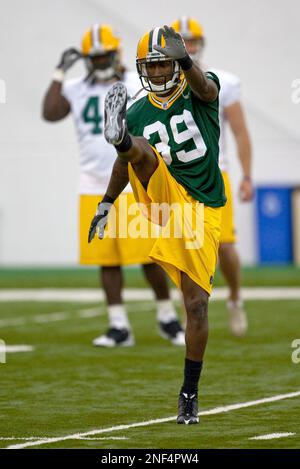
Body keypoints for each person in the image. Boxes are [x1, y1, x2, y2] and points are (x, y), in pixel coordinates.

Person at [89, 25, 226, 424]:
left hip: (202, 207)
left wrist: (186, 58)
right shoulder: (137, 109)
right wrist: (106, 202)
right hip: (162, 199)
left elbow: (208, 93)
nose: (161, 72)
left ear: (178, 63)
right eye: (154, 65)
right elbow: (124, 164)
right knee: (140, 151)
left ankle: (188, 393)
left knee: (197, 306)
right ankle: (119, 137)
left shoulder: (199, 86)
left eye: (166, 63)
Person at [42, 23, 185, 348]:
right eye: (94, 57)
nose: (100, 61)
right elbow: (50, 113)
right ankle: (118, 325)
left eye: (105, 55)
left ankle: (167, 317)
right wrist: (59, 73)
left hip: (134, 179)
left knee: (149, 256)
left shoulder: (135, 81)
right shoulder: (76, 87)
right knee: (107, 259)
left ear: (116, 52)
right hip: (92, 183)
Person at [171, 17, 253, 336]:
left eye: (191, 41)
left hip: (215, 171)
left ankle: (234, 298)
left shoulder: (222, 81)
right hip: (179, 176)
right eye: (182, 42)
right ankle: (189, 314)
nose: (187, 47)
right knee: (184, 248)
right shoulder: (162, 82)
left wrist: (247, 175)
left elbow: (240, 132)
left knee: (225, 245)